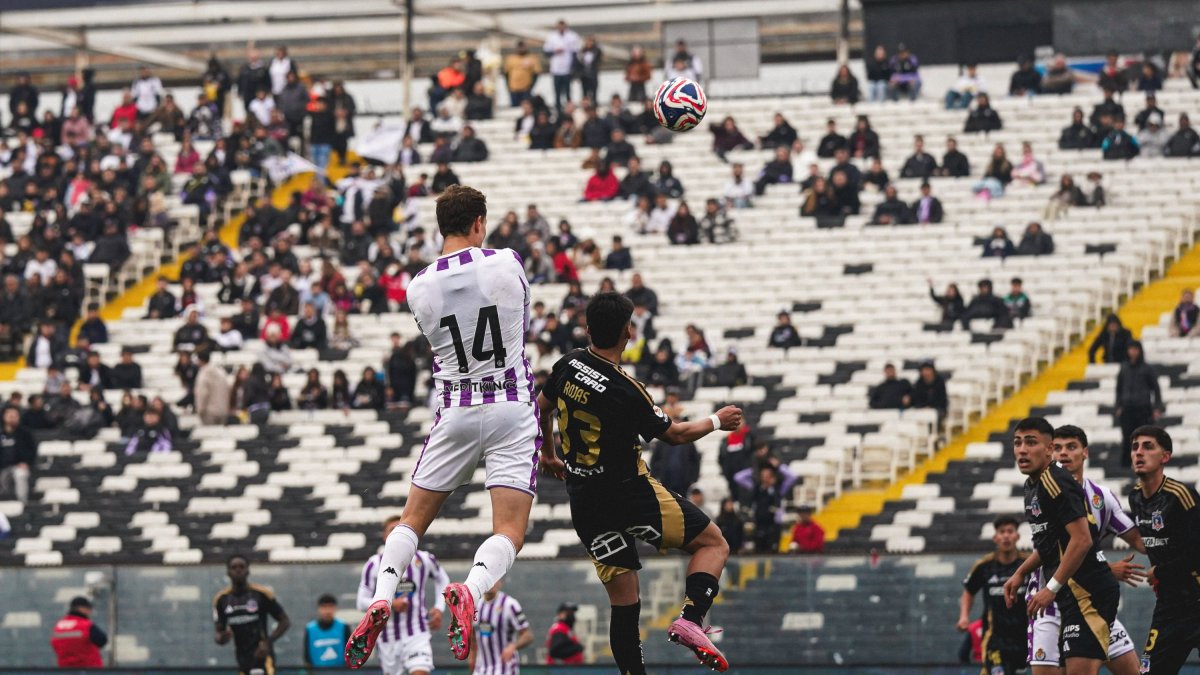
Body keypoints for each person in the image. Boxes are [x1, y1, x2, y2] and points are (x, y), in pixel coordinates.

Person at [346, 186, 539, 667]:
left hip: (454, 409)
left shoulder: (418, 286)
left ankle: (381, 596)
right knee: (510, 529)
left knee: (411, 520)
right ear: (479, 222)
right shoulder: (506, 262)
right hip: (510, 406)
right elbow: (519, 321)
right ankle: (471, 590)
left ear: (439, 227)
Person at [537, 292, 743, 673]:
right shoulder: (625, 389)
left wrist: (549, 455)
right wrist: (717, 420)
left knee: (625, 605)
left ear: (587, 328)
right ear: (627, 333)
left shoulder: (567, 364)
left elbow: (541, 407)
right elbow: (676, 434)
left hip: (585, 502)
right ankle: (692, 618)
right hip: (630, 493)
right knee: (714, 543)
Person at [1001, 417, 1122, 675]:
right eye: (1018, 442)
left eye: (1031, 442)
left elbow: (1081, 540)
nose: (1022, 449)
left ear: (1048, 449)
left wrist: (1050, 588)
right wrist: (1021, 572)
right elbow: (1051, 543)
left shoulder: (1055, 481)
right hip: (1072, 595)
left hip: (1089, 594)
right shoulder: (1033, 485)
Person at [1024, 425, 1146, 675]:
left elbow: (1140, 541)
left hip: (1090, 597)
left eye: (1071, 447)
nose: (1063, 454)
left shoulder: (1102, 497)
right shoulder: (1042, 488)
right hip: (1051, 600)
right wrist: (1020, 573)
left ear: (1085, 453)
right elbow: (1051, 549)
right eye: (1057, 448)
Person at [1126, 426, 1200, 675]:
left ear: (1165, 457)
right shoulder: (1134, 497)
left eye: (1148, 446)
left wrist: (1161, 571)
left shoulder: (1181, 495)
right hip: (1169, 607)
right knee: (1148, 671)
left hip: (1197, 598)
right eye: (1135, 447)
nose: (1139, 452)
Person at [358, 515, 449, 675]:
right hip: (387, 637)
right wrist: (390, 604)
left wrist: (439, 607)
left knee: (420, 671)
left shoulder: (424, 559)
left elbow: (443, 580)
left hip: (417, 632)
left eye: (399, 529)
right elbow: (361, 602)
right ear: (384, 535)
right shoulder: (373, 564)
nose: (395, 533)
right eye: (391, 530)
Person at [957, 515, 1028, 675]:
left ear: (1017, 536)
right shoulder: (984, 566)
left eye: (1010, 531)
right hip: (995, 640)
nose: (1006, 536)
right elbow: (969, 591)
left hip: (1026, 637)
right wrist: (964, 616)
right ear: (995, 538)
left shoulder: (1028, 564)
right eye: (1002, 532)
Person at [214, 555, 291, 675]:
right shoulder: (222, 599)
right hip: (242, 660)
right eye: (234, 567)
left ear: (248, 570)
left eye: (242, 567)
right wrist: (222, 637)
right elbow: (219, 634)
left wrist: (268, 642)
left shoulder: (261, 594)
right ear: (228, 572)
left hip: (262, 658)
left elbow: (284, 621)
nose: (238, 570)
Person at [469, 580, 533, 674]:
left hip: (505, 668)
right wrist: (472, 657)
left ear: (500, 582)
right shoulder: (476, 605)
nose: (491, 583)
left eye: (494, 579)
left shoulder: (510, 604)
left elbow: (528, 635)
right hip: (481, 669)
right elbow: (473, 636)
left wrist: (513, 646)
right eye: (488, 579)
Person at [1115, 341, 1162, 467]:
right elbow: (1119, 389)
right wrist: (1118, 406)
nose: (1133, 352)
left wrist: (1157, 408)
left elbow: (1156, 389)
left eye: (1135, 349)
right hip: (1127, 410)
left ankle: (1146, 464)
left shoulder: (1147, 369)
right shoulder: (1124, 368)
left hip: (1143, 409)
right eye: (1131, 349)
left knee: (1144, 438)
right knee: (1127, 438)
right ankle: (1125, 466)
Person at [51, 596, 107, 668]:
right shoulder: (85, 625)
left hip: (65, 670)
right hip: (88, 669)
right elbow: (102, 640)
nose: (90, 612)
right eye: (88, 609)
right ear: (81, 609)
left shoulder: (58, 626)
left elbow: (54, 645)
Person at [0, 406, 35, 504]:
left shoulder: (25, 434)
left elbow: (32, 451)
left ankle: (22, 503)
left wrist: (27, 463)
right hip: (3, 468)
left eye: (15, 415)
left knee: (20, 474)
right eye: (9, 415)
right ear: (4, 417)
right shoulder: (1, 434)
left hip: (19, 466)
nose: (12, 417)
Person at [305, 595, 352, 669]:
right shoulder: (310, 629)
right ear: (319, 609)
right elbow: (307, 658)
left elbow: (350, 655)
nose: (327, 611)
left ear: (335, 608)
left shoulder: (344, 627)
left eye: (330, 607)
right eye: (324, 607)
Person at [544, 20, 581, 113]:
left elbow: (575, 52)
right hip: (556, 69)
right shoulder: (551, 36)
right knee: (557, 92)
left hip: (567, 69)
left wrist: (574, 68)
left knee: (568, 91)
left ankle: (569, 110)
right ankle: (558, 109)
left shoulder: (572, 36)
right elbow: (546, 52)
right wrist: (555, 51)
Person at [194, 351, 231, 426]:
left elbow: (203, 393)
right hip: (223, 410)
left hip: (209, 412)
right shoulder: (221, 372)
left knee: (210, 434)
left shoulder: (203, 373)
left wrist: (200, 410)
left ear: (199, 360)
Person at [503, 41, 541, 107]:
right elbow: (506, 74)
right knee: (515, 108)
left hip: (525, 88)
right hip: (514, 88)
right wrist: (508, 86)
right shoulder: (511, 59)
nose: (521, 49)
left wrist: (531, 86)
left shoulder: (531, 58)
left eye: (522, 47)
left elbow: (536, 74)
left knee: (526, 107)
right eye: (519, 47)